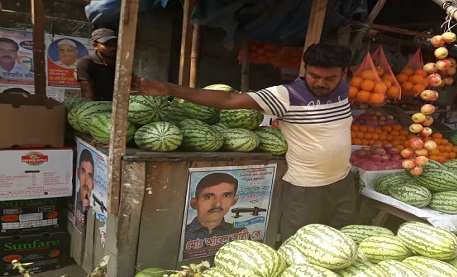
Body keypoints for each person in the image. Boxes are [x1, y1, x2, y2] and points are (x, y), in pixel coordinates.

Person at [133, 43, 356, 240]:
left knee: (341, 242)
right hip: (306, 189)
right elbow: (230, 99)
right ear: (305, 69)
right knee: (301, 244)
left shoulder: (344, 90)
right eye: (314, 76)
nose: (321, 84)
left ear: (344, 74)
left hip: (343, 182)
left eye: (330, 78)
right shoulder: (286, 95)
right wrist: (171, 89)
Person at [184, 173, 250, 244]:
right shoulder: (182, 234)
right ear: (194, 203)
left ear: (234, 200)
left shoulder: (240, 233)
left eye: (226, 196)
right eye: (208, 197)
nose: (217, 204)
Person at [76, 28, 117, 100]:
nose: (113, 48)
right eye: (108, 45)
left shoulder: (123, 63)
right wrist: (91, 108)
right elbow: (86, 90)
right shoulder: (86, 63)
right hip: (97, 105)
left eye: (115, 44)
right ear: (95, 46)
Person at [75, 149, 95, 218]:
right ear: (78, 173)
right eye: (83, 172)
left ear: (93, 183)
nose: (86, 181)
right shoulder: (75, 202)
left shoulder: (94, 209)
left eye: (90, 176)